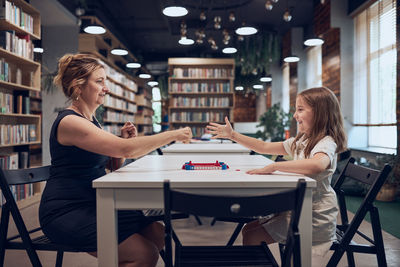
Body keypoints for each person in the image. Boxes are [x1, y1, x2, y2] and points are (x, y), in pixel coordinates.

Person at [39, 53, 192, 267]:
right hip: (67, 211)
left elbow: (109, 164)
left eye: (105, 82)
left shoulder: (91, 121)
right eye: (99, 81)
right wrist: (173, 135)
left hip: (94, 203)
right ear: (77, 85)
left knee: (158, 232)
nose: (106, 88)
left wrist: (120, 145)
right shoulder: (70, 122)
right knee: (146, 254)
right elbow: (126, 151)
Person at [206, 87, 347, 257]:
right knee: (248, 230)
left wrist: (274, 166)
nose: (295, 115)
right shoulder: (302, 140)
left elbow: (318, 164)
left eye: (300, 110)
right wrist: (233, 135)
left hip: (314, 217)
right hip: (299, 209)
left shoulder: (326, 142)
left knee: (252, 236)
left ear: (320, 113)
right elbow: (263, 147)